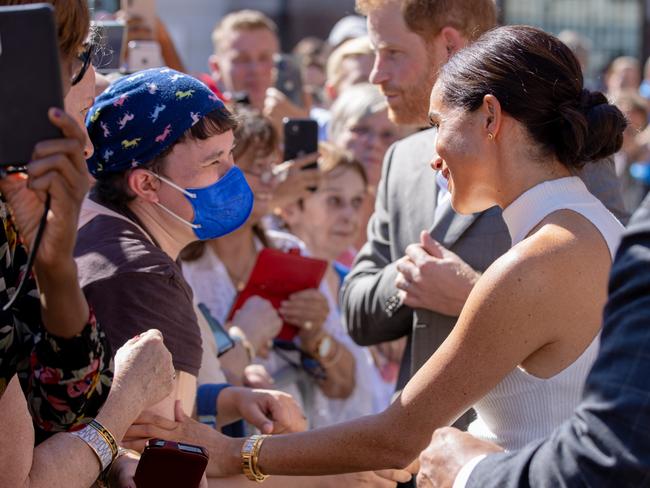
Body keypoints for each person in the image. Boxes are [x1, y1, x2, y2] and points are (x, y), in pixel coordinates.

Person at [190, 24, 628, 481]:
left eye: (438, 124)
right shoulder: (599, 229)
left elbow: (398, 436)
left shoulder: (534, 262)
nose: (432, 157)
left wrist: (238, 452)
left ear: (491, 118)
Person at [341, 0, 627, 437]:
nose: (376, 73)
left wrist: (472, 293)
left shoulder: (572, 177)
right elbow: (359, 305)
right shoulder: (400, 160)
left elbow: (610, 310)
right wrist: (413, 274)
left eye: (392, 53)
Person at [78, 69, 307, 470]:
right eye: (213, 161)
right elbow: (166, 460)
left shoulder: (98, 224)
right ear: (147, 185)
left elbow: (140, 409)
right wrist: (330, 475)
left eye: (230, 153)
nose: (230, 173)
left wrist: (224, 399)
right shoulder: (142, 276)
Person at [417, 194, 650, 488]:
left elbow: (616, 451)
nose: (434, 158)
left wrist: (468, 473)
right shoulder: (595, 223)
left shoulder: (541, 255)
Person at [180, 111, 358, 428]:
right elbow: (184, 393)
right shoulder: (183, 265)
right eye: (254, 168)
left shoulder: (289, 251)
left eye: (270, 168)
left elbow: (343, 386)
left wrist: (314, 336)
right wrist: (243, 338)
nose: (269, 181)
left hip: (297, 439)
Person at [0, 0, 112, 444]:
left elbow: (62, 412)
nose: (85, 145)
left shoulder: (16, 200)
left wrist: (56, 269)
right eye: (72, 55)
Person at [280, 142, 392, 413]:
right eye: (334, 201)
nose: (350, 216)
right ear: (291, 207)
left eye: (356, 202)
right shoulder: (277, 277)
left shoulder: (350, 279)